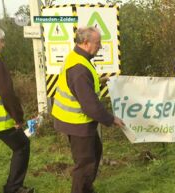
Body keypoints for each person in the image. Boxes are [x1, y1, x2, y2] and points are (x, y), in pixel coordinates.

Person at [51, 27, 125, 193]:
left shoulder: (78, 57)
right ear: (85, 43)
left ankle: (86, 188)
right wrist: (111, 119)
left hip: (75, 121)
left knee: (95, 152)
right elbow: (90, 105)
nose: (100, 46)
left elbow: (82, 87)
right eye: (97, 42)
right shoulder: (79, 68)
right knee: (85, 165)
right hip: (77, 123)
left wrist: (100, 80)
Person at [0, 25, 34, 193]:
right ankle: (13, 188)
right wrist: (18, 117)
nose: (4, 44)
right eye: (2, 40)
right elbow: (7, 93)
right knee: (22, 146)